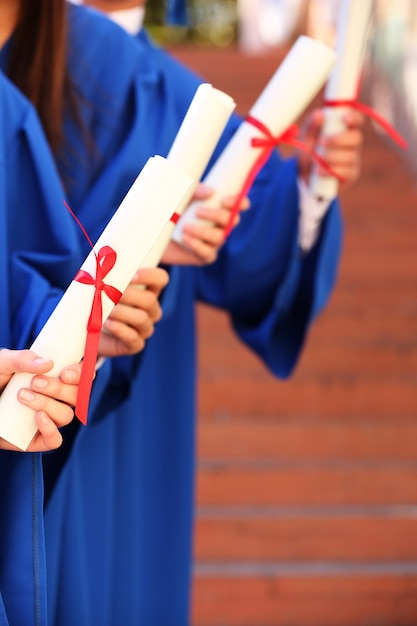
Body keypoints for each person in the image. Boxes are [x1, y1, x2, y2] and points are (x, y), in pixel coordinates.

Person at [29, 2, 364, 626]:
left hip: (132, 400)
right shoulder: (23, 62)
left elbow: (251, 250)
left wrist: (307, 186)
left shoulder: (178, 94)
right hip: (26, 386)